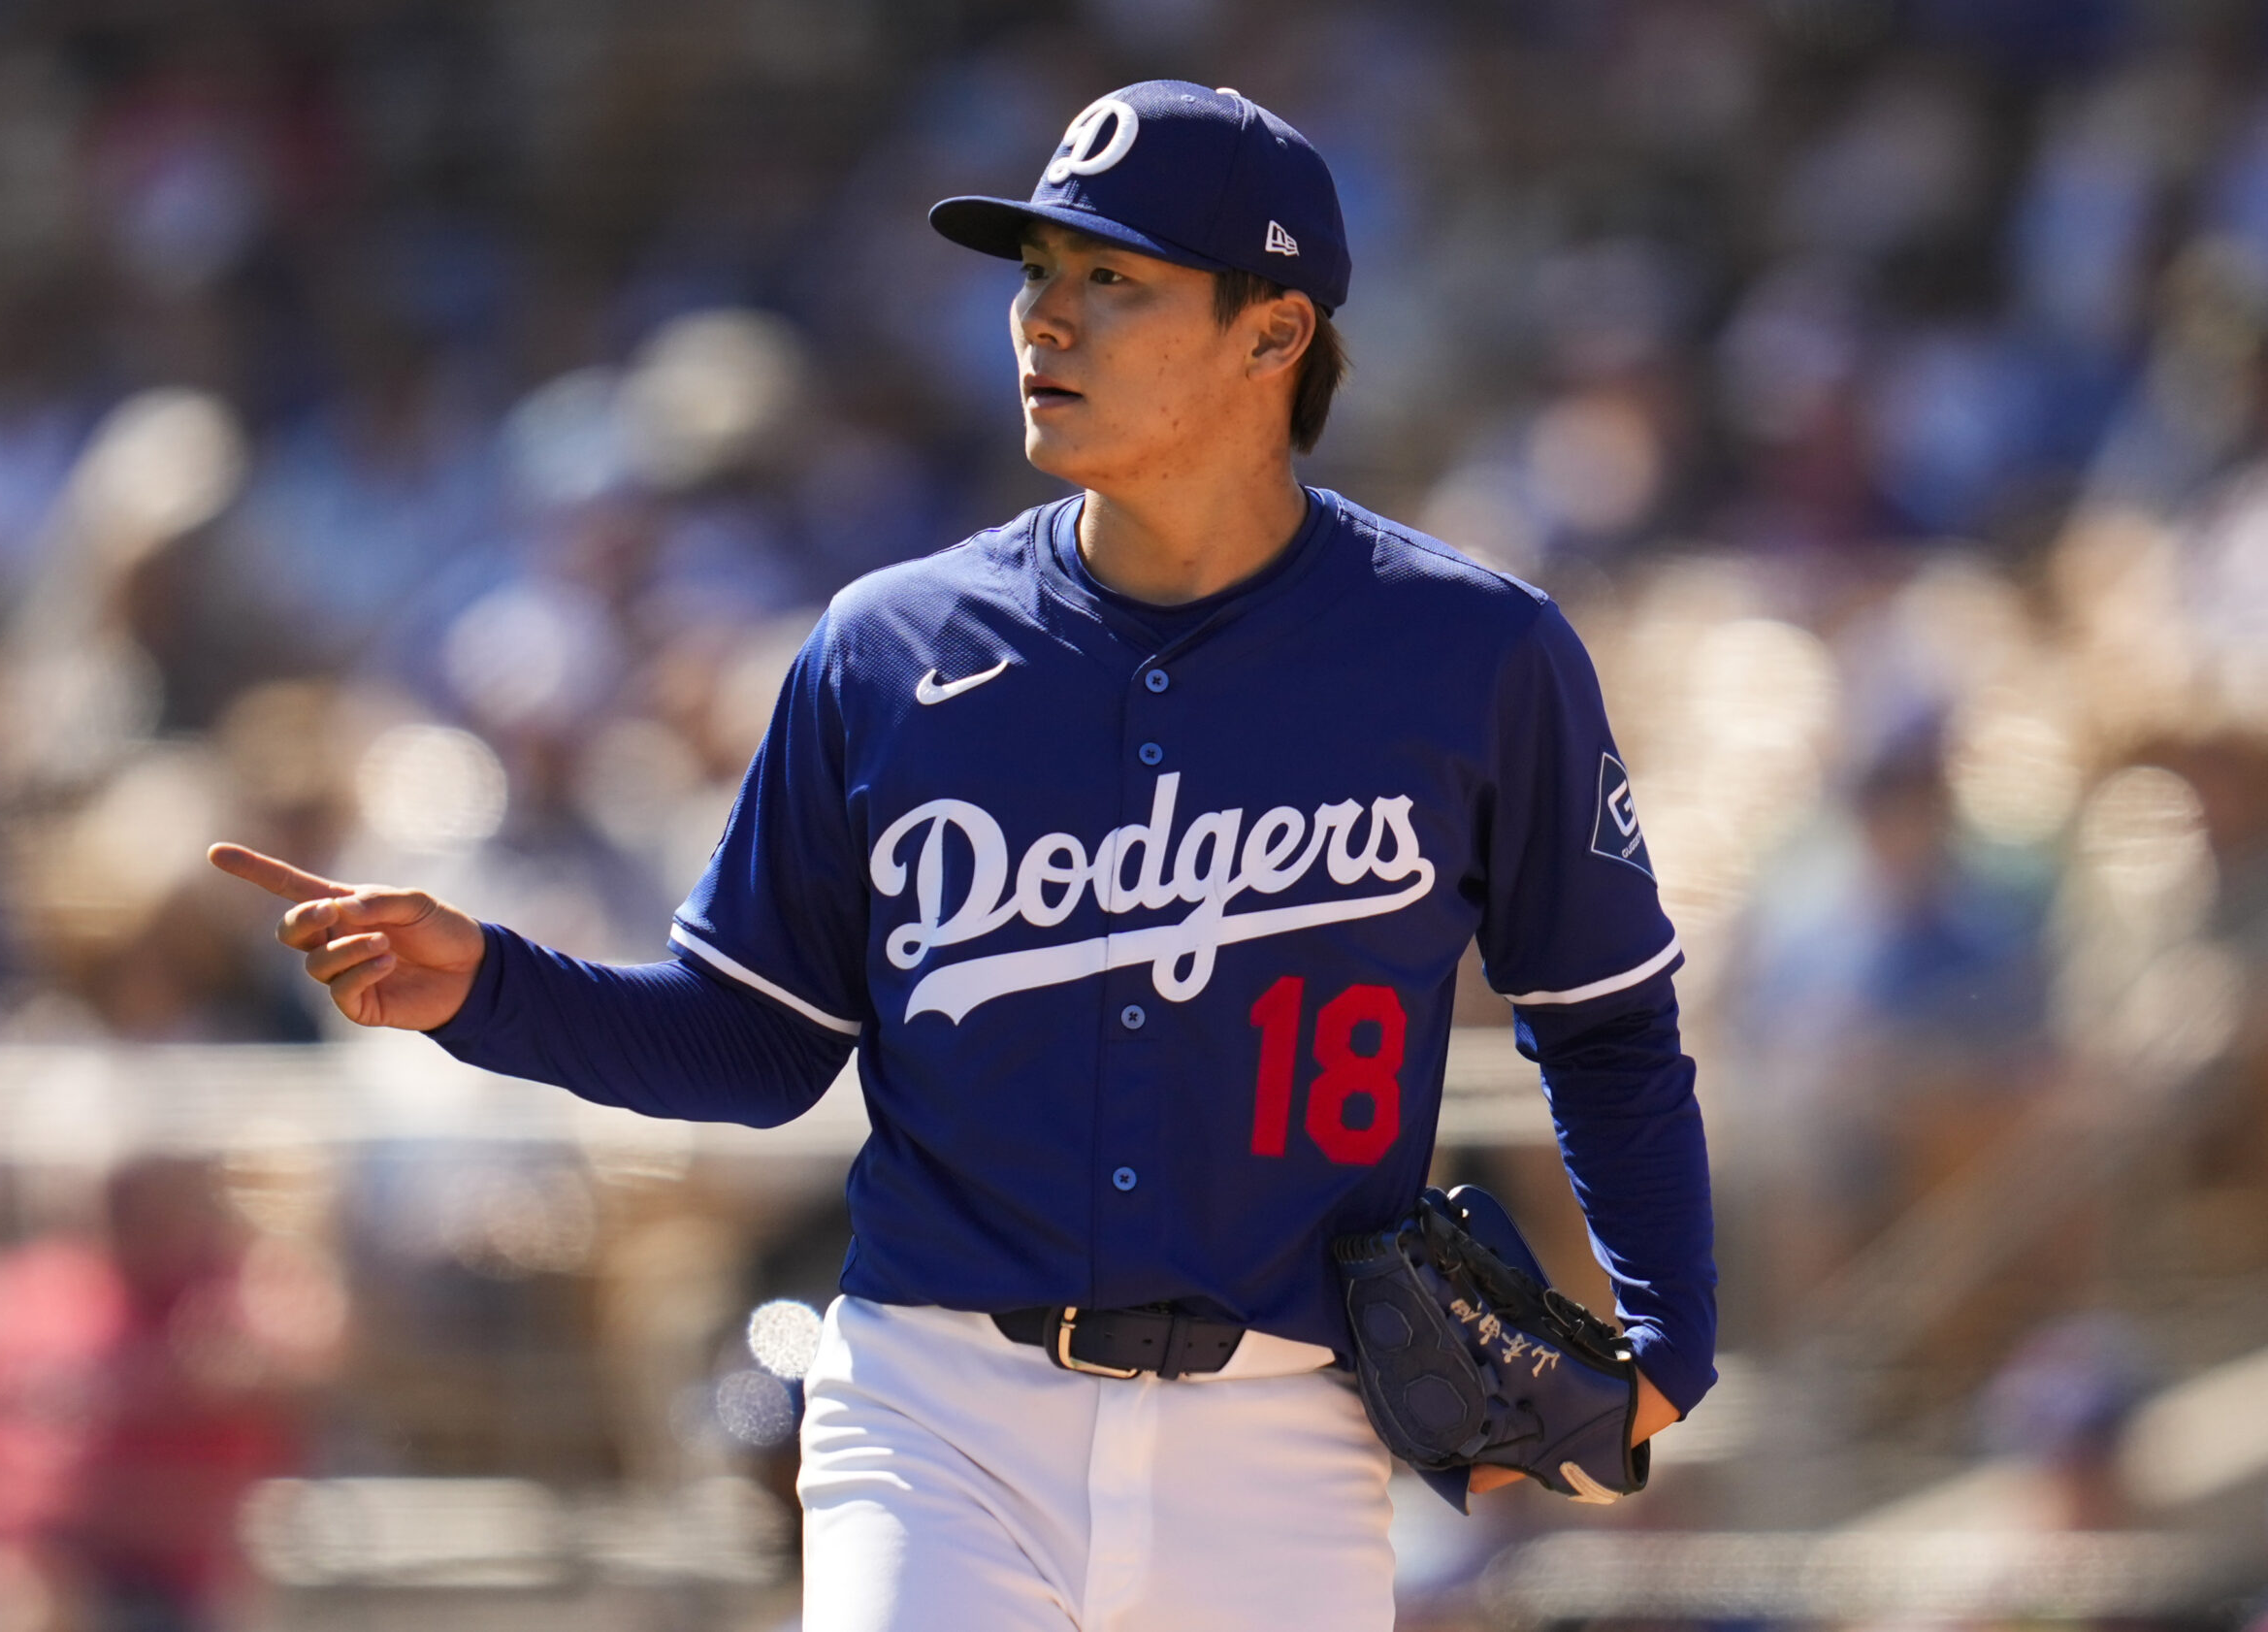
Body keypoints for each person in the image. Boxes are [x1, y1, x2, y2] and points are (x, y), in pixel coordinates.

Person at [211, 81, 1716, 1631]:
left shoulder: (1471, 653)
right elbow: (755, 1043)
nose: (1044, 320)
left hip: (1290, 1435)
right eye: (1036, 272)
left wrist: (1671, 1336)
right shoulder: (889, 648)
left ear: (1274, 334)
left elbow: (1604, 1018)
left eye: (1112, 280)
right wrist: (493, 987)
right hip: (937, 1405)